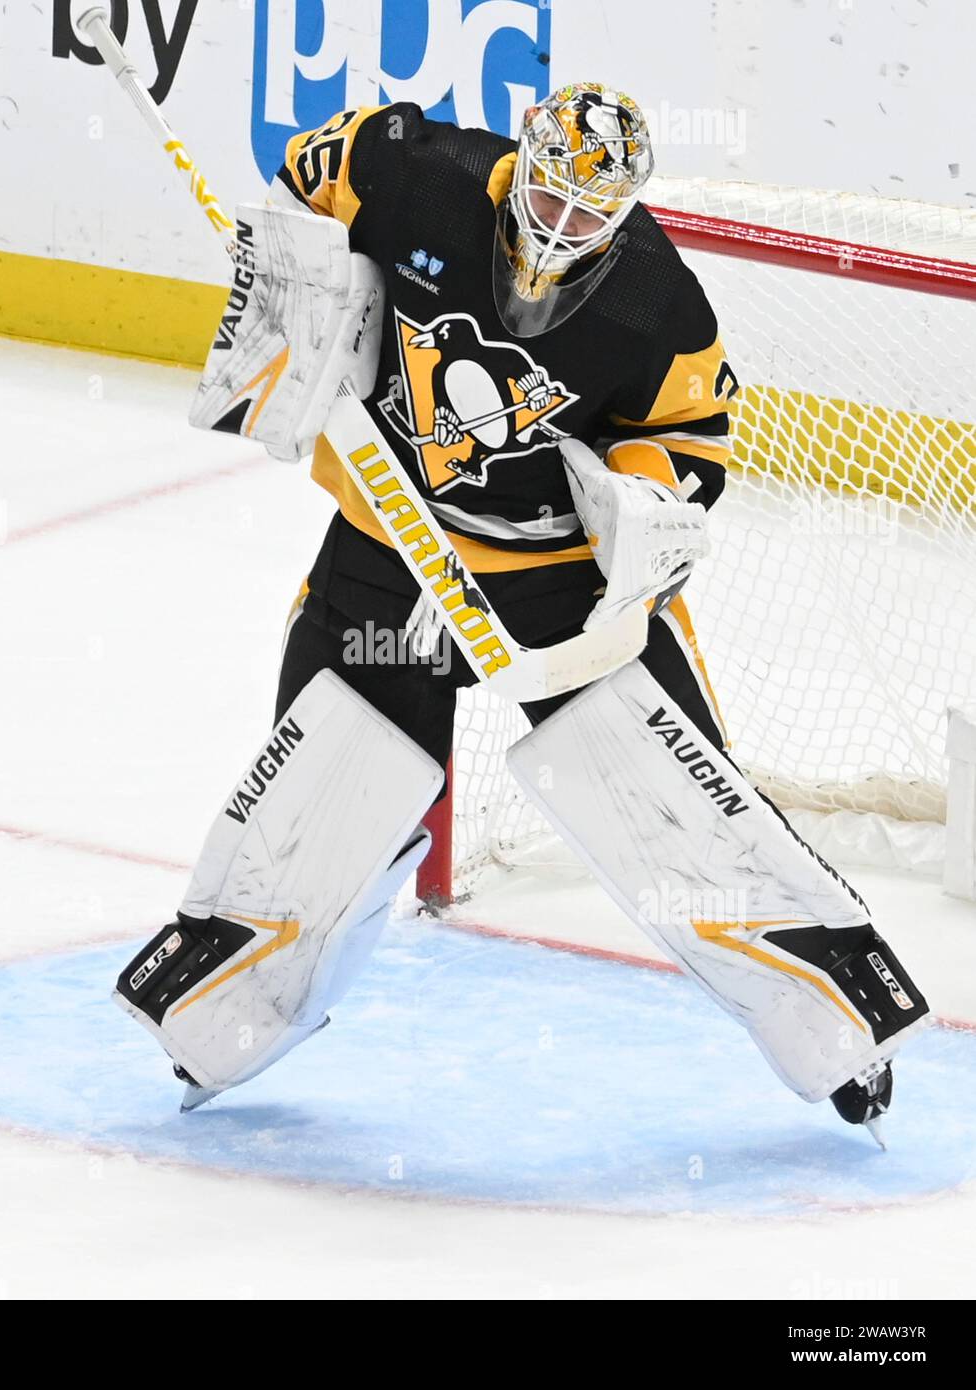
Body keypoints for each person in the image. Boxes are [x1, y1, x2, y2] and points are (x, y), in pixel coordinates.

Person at [115, 84, 927, 1135]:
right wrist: (293, 294)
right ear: (520, 166)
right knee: (321, 807)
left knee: (680, 812)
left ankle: (829, 1032)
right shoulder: (417, 173)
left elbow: (689, 436)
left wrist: (639, 505)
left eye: (590, 215)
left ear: (625, 210)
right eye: (547, 197)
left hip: (558, 586)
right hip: (388, 555)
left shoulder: (657, 306)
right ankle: (223, 1020)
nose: (558, 227)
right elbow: (317, 168)